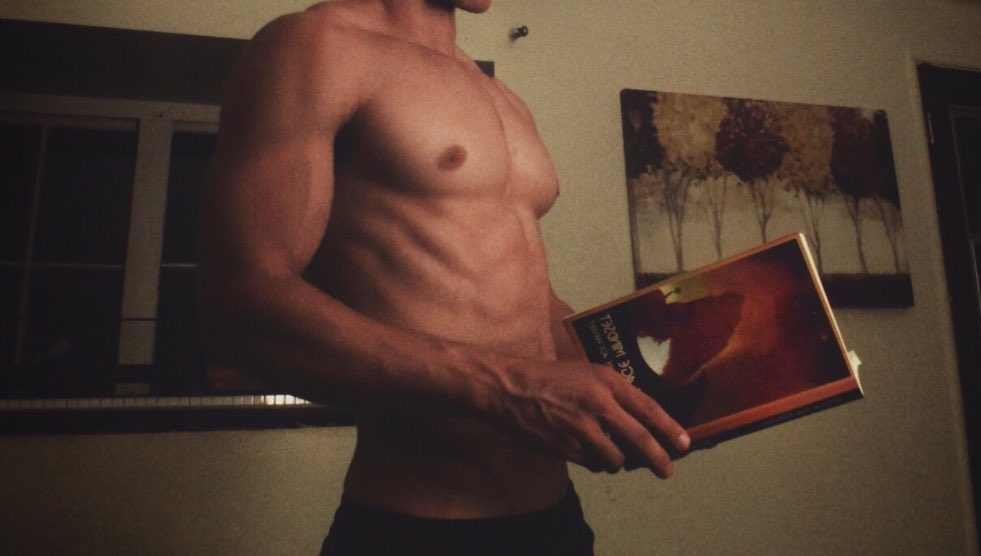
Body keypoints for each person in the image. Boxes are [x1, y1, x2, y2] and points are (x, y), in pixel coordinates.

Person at [198, 0, 691, 553]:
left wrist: (651, 394)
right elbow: (240, 303)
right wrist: (508, 386)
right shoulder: (316, 47)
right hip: (416, 527)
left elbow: (525, 300)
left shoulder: (500, 96)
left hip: (556, 521)